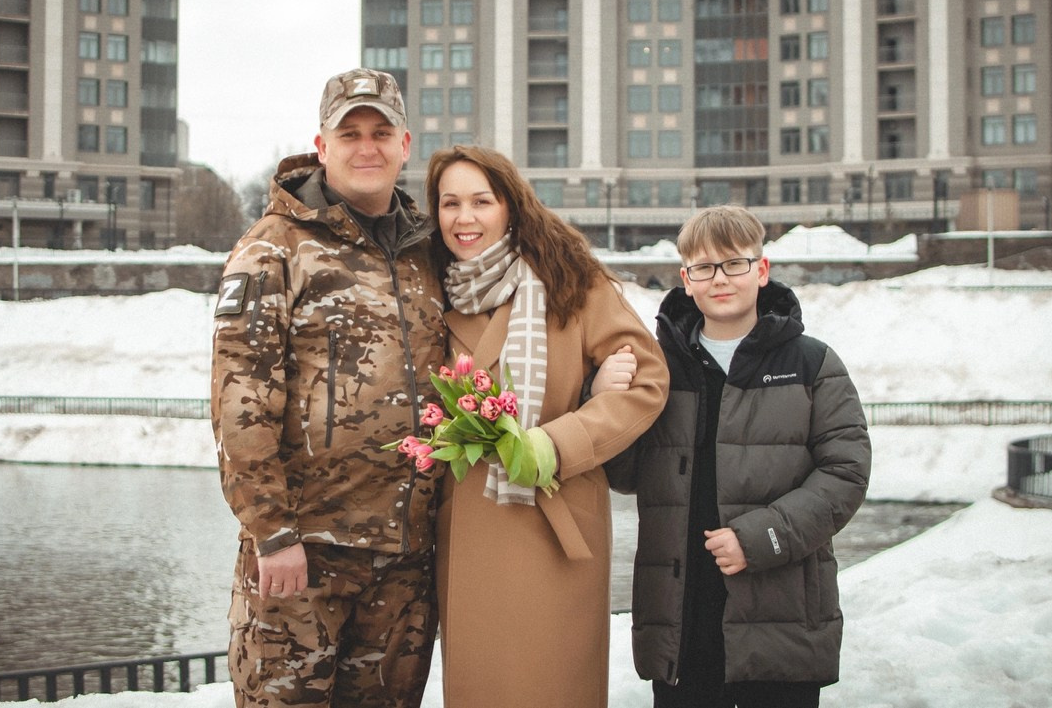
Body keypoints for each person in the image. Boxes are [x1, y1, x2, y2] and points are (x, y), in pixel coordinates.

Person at [211, 68, 446, 708]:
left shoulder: (431, 252)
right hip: (304, 562)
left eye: (381, 132)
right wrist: (273, 533)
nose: (366, 147)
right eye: (350, 133)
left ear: (405, 144)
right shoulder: (275, 249)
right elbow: (241, 402)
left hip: (405, 564)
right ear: (322, 145)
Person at [424, 145, 670, 708]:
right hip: (467, 526)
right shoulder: (431, 292)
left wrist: (557, 442)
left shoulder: (570, 281)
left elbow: (647, 380)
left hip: (555, 525)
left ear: (511, 205)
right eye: (450, 203)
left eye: (481, 201)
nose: (465, 218)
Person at [605, 205, 872, 708]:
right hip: (682, 620)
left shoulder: (811, 363)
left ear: (761, 270)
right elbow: (623, 470)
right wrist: (605, 394)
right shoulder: (658, 368)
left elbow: (846, 472)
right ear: (686, 280)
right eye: (703, 267)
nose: (719, 279)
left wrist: (761, 537)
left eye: (734, 264)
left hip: (780, 612)